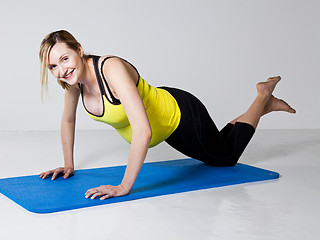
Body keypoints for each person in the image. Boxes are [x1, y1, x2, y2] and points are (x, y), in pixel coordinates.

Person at [39, 30, 296, 201]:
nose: (61, 70)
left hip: (179, 114)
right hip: (166, 128)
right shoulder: (74, 84)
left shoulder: (111, 69)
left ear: (79, 50)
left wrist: (124, 186)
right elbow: (68, 120)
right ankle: (263, 103)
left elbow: (143, 131)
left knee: (226, 158)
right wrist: (69, 165)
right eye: (53, 66)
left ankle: (263, 98)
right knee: (218, 147)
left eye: (64, 58)